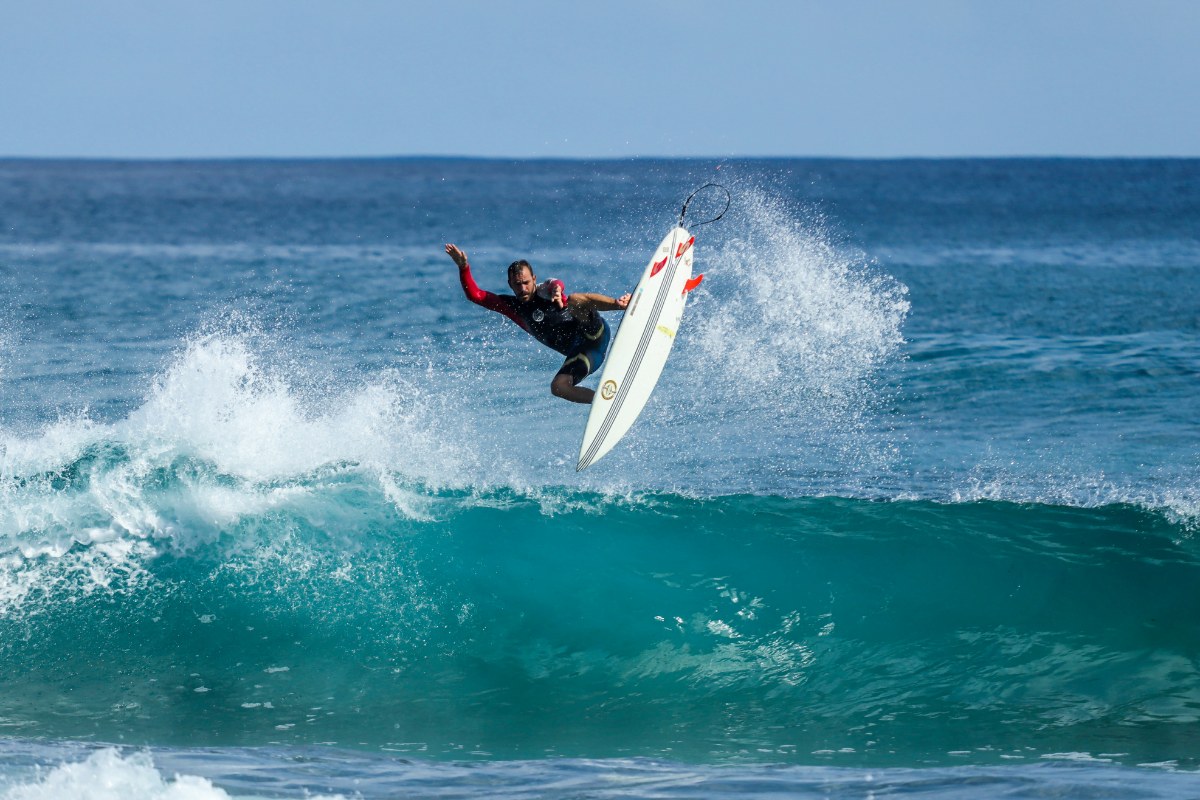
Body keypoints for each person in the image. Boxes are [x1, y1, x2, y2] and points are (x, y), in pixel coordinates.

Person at [445, 244, 630, 404]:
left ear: (534, 279)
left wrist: (558, 290)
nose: (523, 288)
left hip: (594, 333)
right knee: (558, 387)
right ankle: (605, 402)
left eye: (526, 282)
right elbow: (475, 296)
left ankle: (621, 305)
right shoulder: (511, 306)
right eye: (517, 284)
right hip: (584, 354)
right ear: (510, 284)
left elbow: (556, 283)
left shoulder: (546, 290)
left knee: (574, 300)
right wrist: (463, 267)